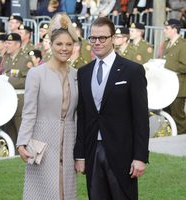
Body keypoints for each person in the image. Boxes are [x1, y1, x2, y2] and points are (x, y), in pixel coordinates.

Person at [74, 17, 149, 200]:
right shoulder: (83, 73)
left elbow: (141, 118)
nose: (97, 42)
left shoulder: (132, 70)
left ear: (113, 38)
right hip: (92, 151)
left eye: (102, 38)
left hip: (122, 151)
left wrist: (140, 157)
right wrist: (80, 155)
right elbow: (83, 117)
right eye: (93, 38)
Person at [16, 12, 79, 200]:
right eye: (59, 44)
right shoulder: (37, 74)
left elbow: (77, 114)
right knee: (42, 193)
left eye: (69, 44)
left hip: (69, 141)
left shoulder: (77, 74)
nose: (64, 48)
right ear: (51, 45)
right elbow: (29, 112)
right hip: (42, 141)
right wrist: (22, 143)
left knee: (65, 192)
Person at [161, 19, 186, 134]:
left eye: (167, 28)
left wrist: (165, 65)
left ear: (175, 29)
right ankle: (169, 137)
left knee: (178, 117)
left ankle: (181, 138)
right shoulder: (167, 43)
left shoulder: (183, 44)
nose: (164, 31)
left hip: (179, 86)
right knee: (167, 114)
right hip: (168, 85)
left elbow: (184, 66)